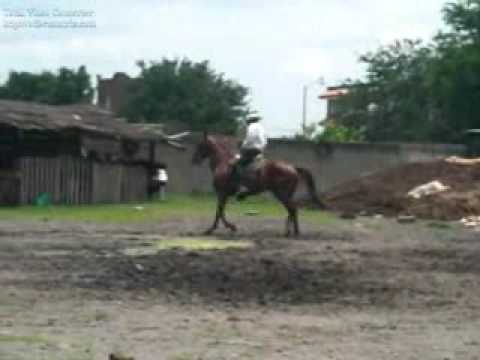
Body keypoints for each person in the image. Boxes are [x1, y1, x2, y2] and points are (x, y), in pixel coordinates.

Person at [232, 115, 268, 180]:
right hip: (261, 148)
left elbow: (250, 138)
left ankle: (241, 181)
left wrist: (243, 145)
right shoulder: (261, 127)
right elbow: (265, 140)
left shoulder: (252, 127)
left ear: (250, 120)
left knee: (238, 163)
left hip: (252, 148)